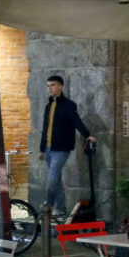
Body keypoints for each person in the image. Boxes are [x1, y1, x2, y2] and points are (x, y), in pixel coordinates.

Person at [38, 75, 95, 221]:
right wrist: (41, 148)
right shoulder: (48, 106)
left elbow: (77, 121)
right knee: (56, 179)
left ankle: (48, 208)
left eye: (53, 85)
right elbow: (45, 128)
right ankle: (61, 209)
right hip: (49, 148)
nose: (49, 88)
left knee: (52, 178)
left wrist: (87, 134)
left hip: (62, 148)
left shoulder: (69, 105)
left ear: (60, 86)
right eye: (48, 85)